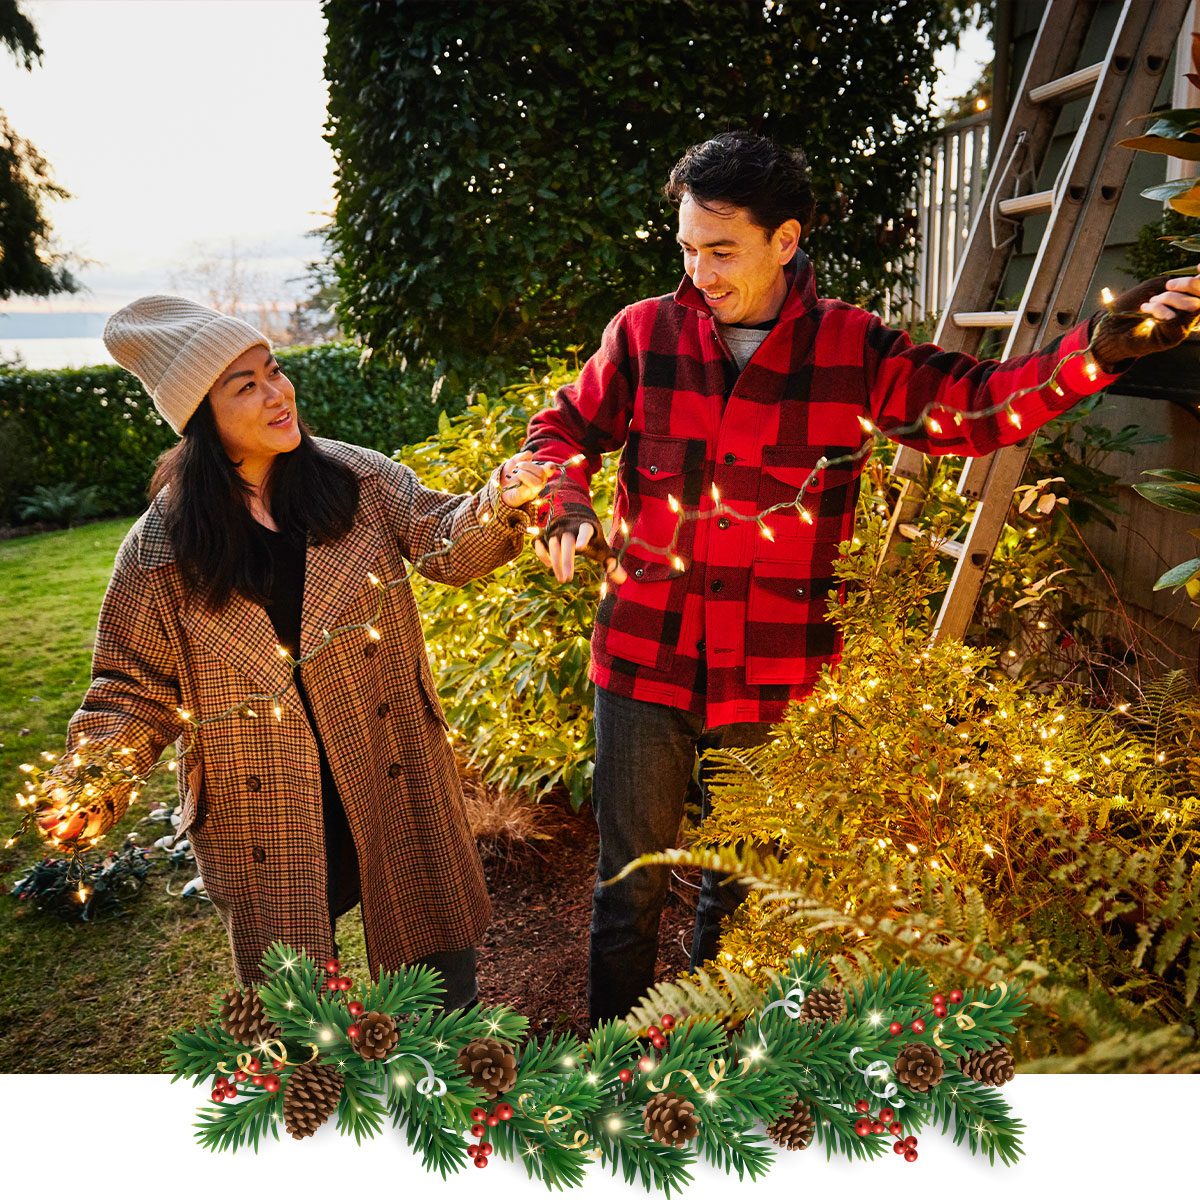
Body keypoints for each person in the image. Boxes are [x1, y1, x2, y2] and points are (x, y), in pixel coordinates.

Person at [522, 130, 1200, 1025]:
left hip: (776, 677)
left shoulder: (852, 348)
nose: (699, 273)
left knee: (749, 893)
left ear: (785, 241)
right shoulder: (644, 334)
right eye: (687, 249)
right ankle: (618, 1064)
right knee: (627, 890)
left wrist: (1100, 352)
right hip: (645, 660)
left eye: (721, 251)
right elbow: (558, 433)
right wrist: (561, 501)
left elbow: (980, 408)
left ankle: (722, 1065)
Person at [38, 294, 551, 1006]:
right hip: (263, 797)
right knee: (299, 1013)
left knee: (442, 989)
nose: (278, 394)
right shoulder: (161, 549)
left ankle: (452, 1067)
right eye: (245, 385)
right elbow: (132, 690)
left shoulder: (356, 480)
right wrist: (92, 780)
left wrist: (501, 498)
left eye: (274, 370)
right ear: (200, 418)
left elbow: (445, 542)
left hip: (387, 759)